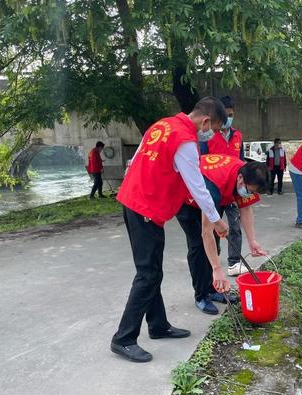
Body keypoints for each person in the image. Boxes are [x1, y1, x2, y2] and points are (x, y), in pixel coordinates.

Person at [110, 97, 229, 363]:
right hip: (145, 207)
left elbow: (137, 160)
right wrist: (217, 220)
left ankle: (158, 325)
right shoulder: (185, 139)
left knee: (152, 270)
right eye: (215, 129)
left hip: (135, 201)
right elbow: (196, 184)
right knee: (148, 273)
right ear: (206, 121)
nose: (211, 135)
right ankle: (124, 338)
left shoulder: (162, 125)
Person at [177, 155, 269, 314]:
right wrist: (217, 269)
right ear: (240, 179)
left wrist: (253, 241)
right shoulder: (213, 186)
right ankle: (201, 295)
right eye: (249, 191)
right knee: (198, 245)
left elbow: (245, 208)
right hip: (186, 199)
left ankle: (212, 289)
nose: (248, 194)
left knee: (216, 239)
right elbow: (206, 232)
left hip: (214, 197)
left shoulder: (247, 174)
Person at [200, 95, 246, 277]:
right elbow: (201, 163)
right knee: (213, 226)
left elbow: (241, 162)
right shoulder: (207, 136)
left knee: (235, 224)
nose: (229, 118)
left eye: (231, 114)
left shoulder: (237, 135)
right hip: (214, 190)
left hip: (233, 190)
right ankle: (214, 261)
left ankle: (234, 262)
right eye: (225, 115)